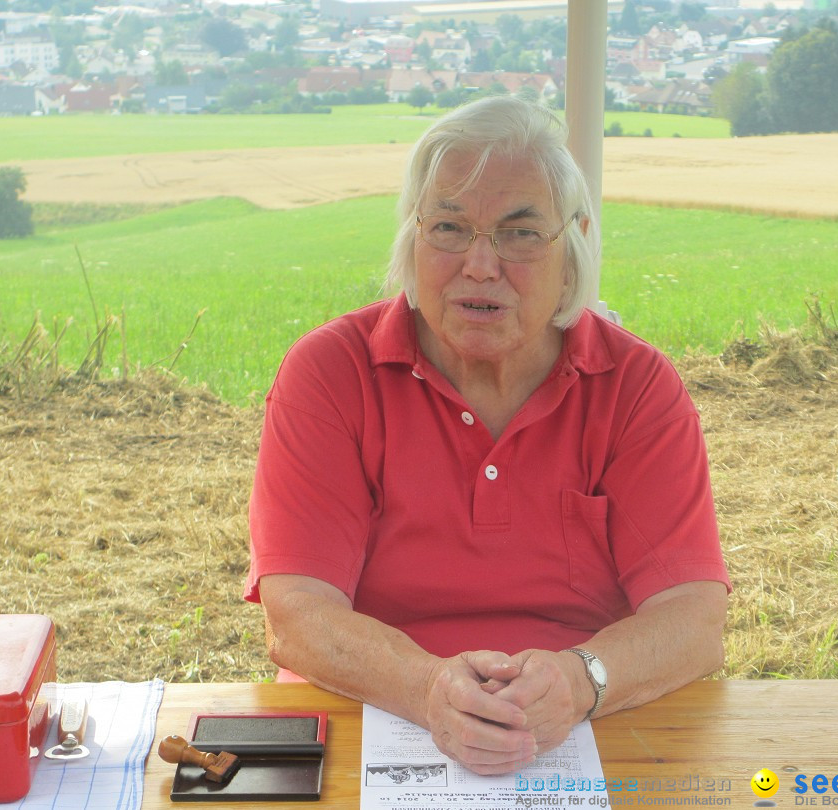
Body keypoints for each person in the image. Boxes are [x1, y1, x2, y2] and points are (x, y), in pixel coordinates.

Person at [244, 95, 730, 776]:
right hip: (375, 722)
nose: (479, 264)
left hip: (581, 734)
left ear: (575, 243)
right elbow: (296, 614)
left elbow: (695, 619)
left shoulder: (636, 384)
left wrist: (581, 679)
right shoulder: (330, 373)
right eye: (448, 226)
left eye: (519, 233)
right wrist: (428, 689)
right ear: (413, 235)